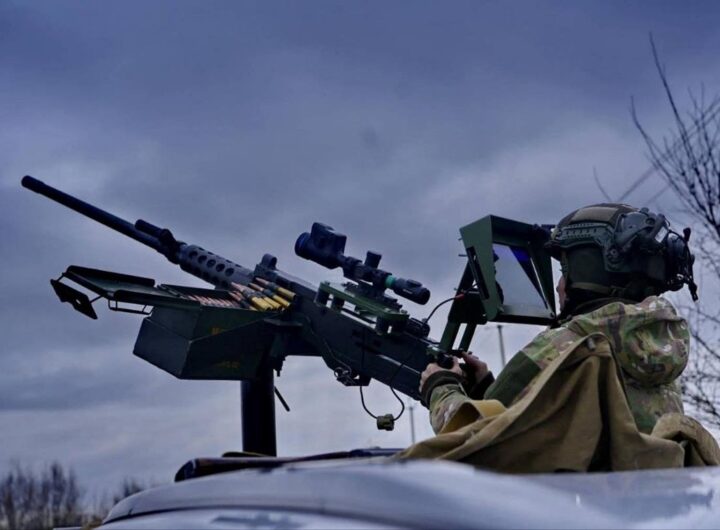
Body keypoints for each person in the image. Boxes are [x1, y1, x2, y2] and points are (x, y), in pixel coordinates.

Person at [419, 203, 698, 436]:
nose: (558, 285)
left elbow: (473, 437)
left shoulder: (564, 346)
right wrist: (484, 387)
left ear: (587, 271)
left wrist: (440, 385)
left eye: (564, 271)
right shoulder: (659, 348)